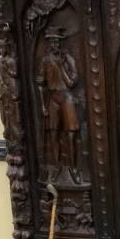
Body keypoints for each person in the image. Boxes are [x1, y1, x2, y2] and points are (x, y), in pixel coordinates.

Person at [36, 27, 82, 181]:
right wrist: (43, 105)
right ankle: (56, 166)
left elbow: (71, 83)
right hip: (53, 98)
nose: (54, 43)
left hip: (66, 97)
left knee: (71, 134)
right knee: (53, 133)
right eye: (51, 40)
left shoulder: (69, 59)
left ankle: (74, 167)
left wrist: (62, 66)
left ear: (60, 41)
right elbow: (41, 84)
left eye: (56, 40)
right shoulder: (45, 60)